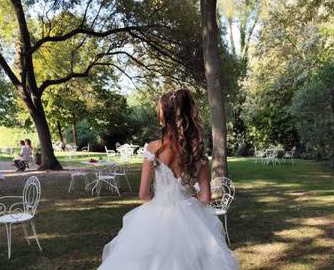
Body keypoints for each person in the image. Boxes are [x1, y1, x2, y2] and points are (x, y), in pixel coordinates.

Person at [98, 89, 239, 270]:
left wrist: (159, 201)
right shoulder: (197, 152)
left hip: (156, 214)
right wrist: (188, 200)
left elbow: (143, 194)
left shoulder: (153, 148)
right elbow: (205, 198)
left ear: (164, 115)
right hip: (191, 217)